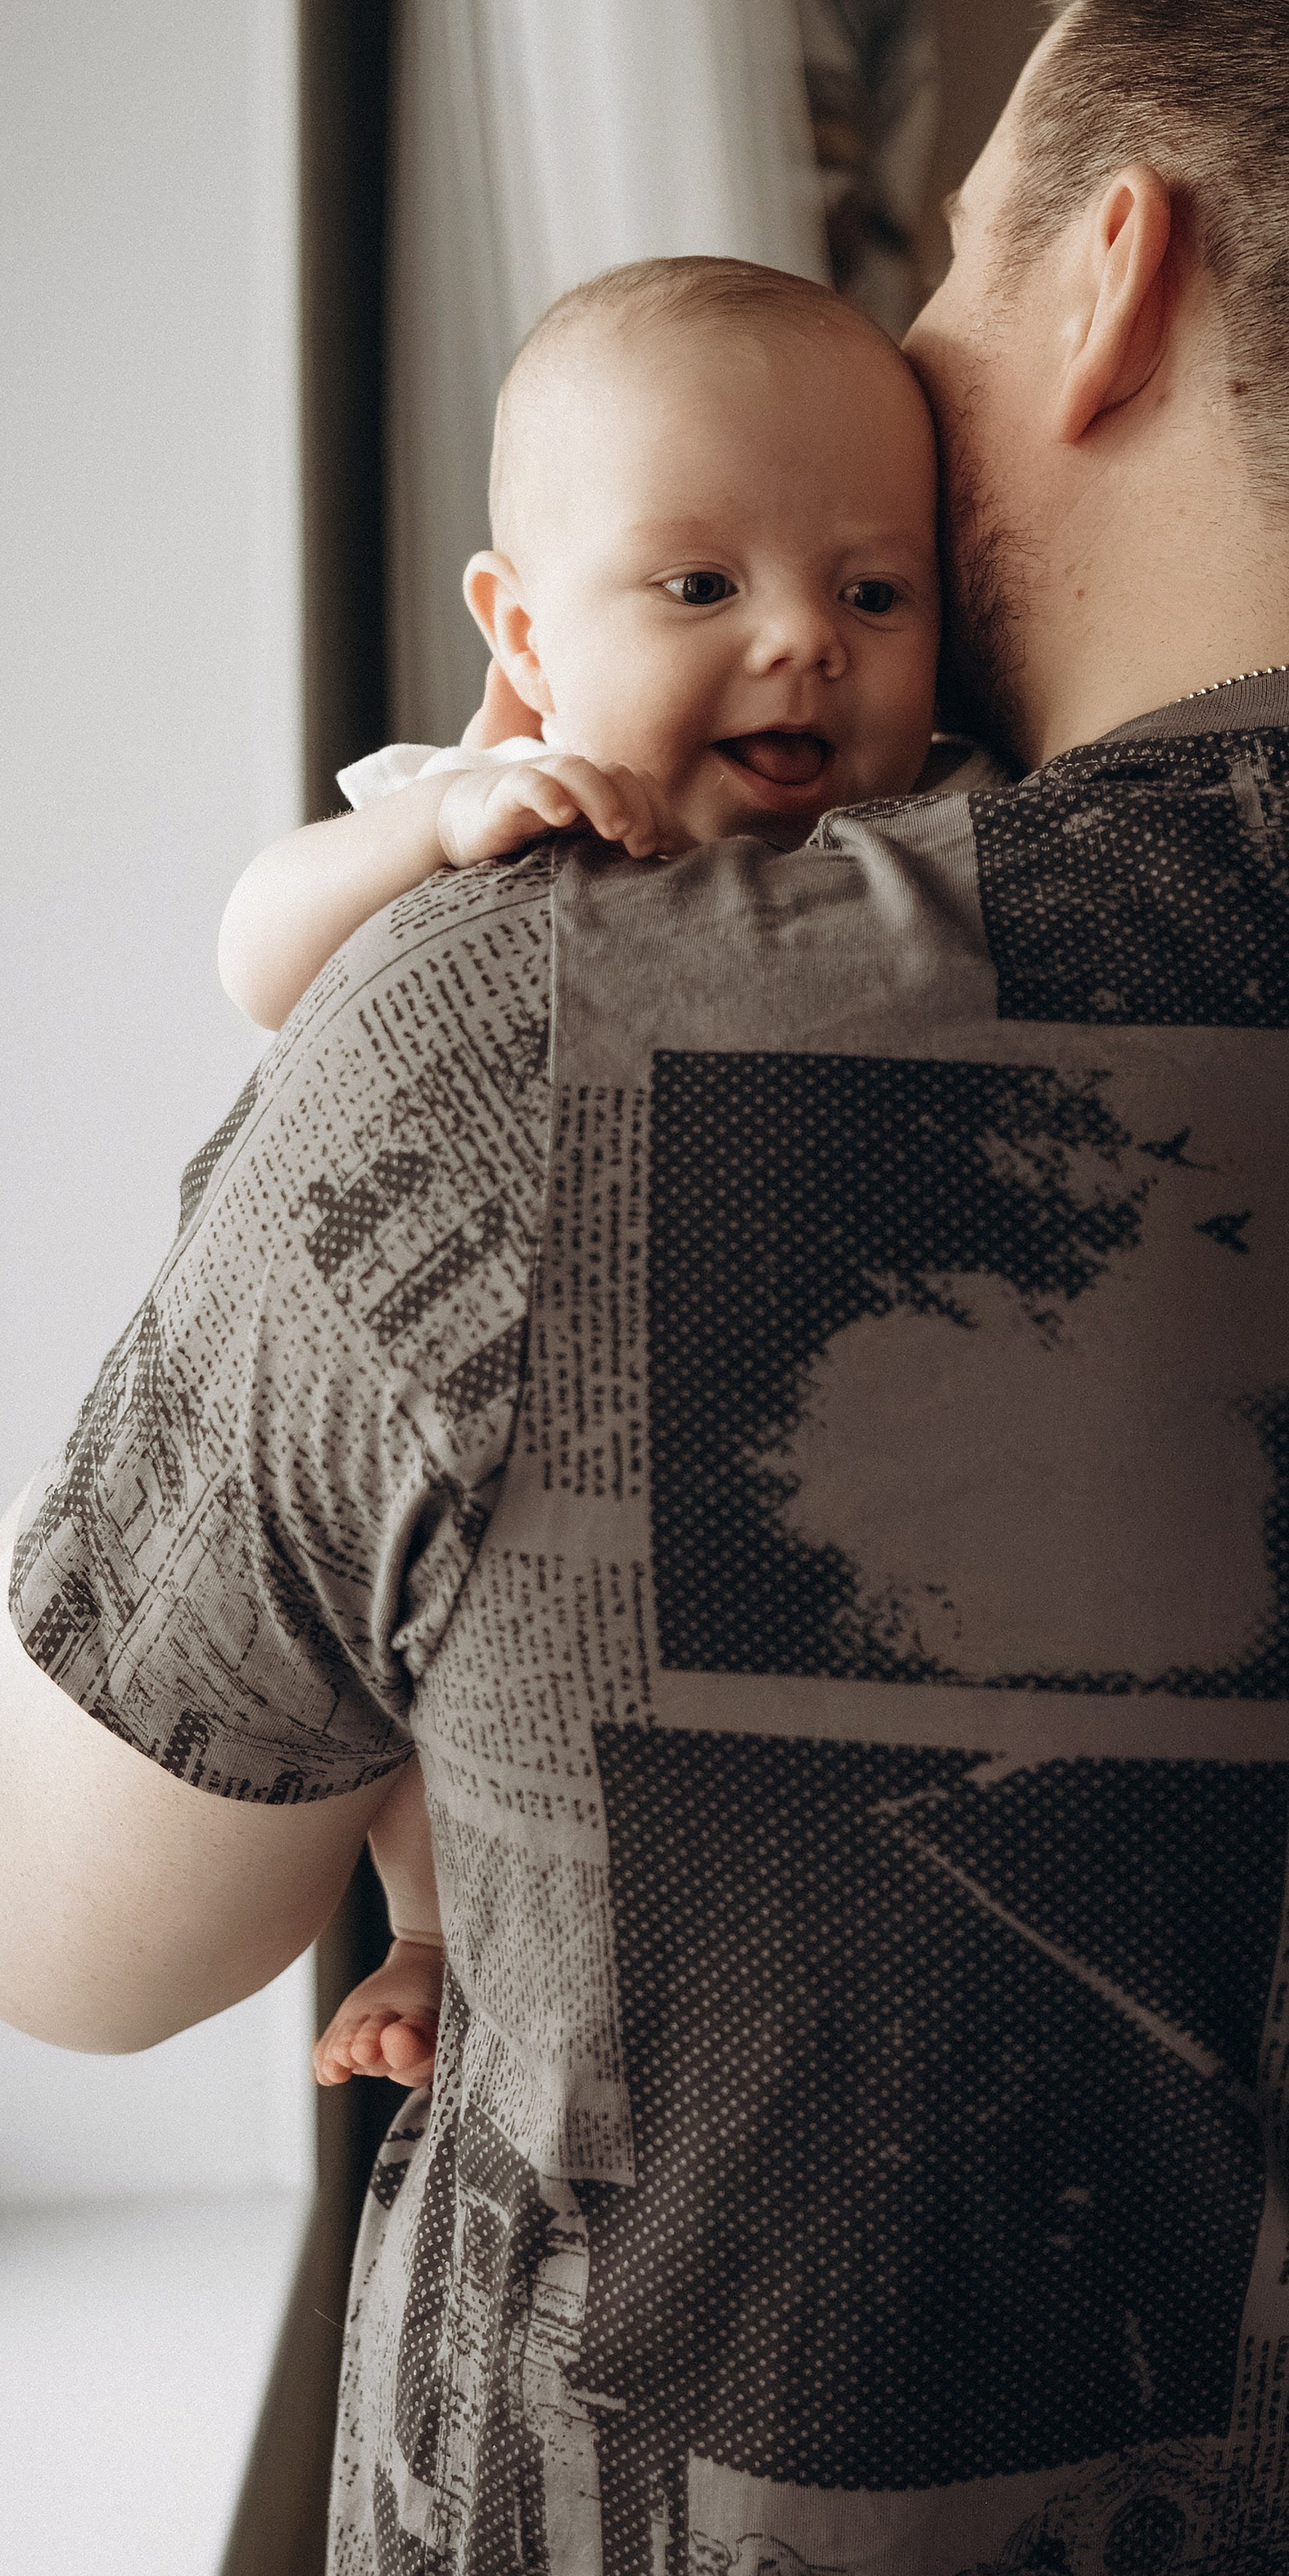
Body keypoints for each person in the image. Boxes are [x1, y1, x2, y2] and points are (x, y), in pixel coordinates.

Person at [0, 0, 1289, 2576]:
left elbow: (56, 1935)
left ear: (1116, 279)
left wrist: (289, 1174)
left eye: (948, 270)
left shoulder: (530, 1024)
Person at [224, 256, 998, 2090]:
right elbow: (260, 954)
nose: (802, 638)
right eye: (701, 586)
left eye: (873, 590)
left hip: (768, 1372)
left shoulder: (933, 822)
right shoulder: (498, 798)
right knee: (404, 1653)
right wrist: (434, 827)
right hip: (476, 1397)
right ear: (524, 635)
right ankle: (424, 1935)